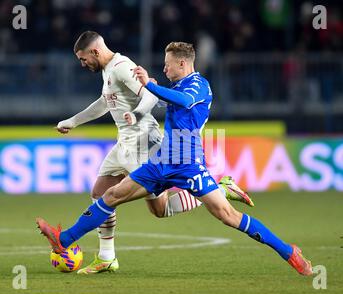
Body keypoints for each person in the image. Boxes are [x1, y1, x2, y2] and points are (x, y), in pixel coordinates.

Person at [37, 41, 313, 276]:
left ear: (182, 63)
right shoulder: (176, 85)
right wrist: (146, 93)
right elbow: (153, 100)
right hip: (161, 162)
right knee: (111, 196)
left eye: (168, 64)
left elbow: (182, 101)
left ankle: (289, 252)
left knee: (227, 216)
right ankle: (64, 239)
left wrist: (151, 86)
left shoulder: (199, 85)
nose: (165, 68)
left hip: (189, 165)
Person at [55, 31, 254, 274]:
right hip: (124, 143)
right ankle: (107, 257)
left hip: (143, 143)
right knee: (99, 192)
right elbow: (104, 103)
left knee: (159, 209)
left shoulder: (121, 66)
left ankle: (220, 189)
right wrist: (73, 121)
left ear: (94, 52)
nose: (82, 63)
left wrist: (137, 114)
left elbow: (149, 93)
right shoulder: (108, 70)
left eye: (83, 58)